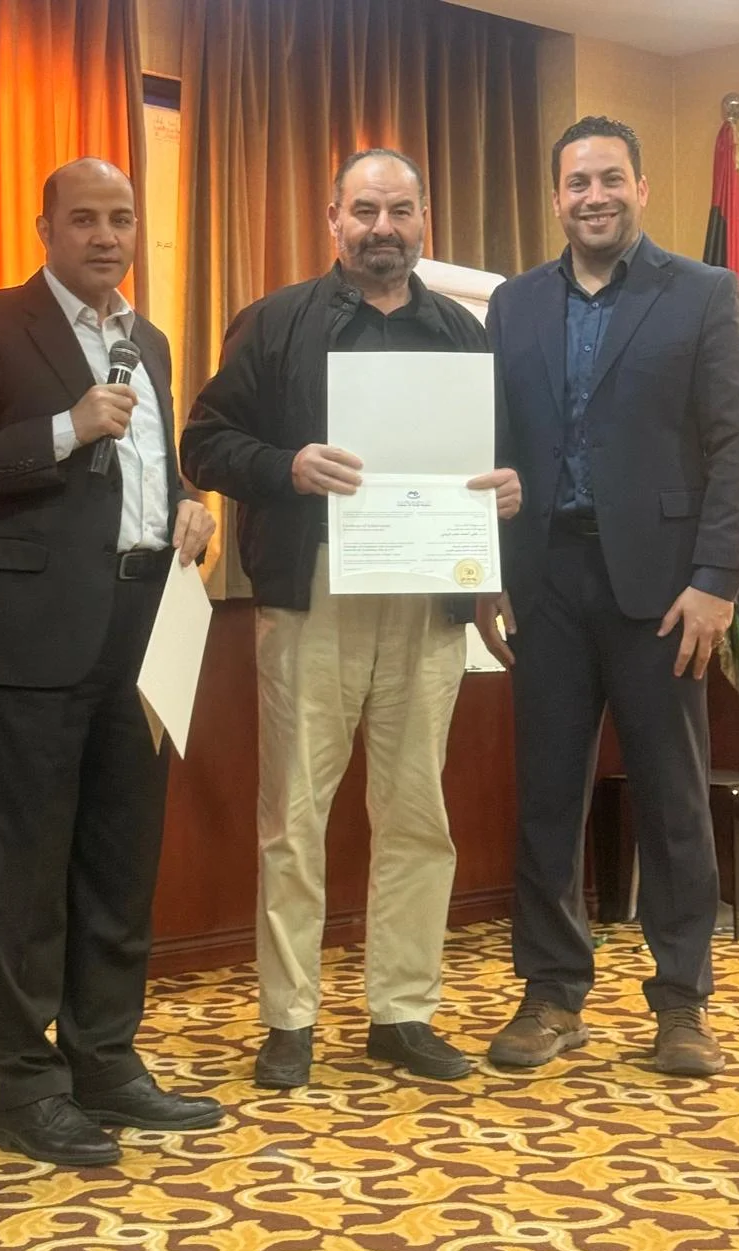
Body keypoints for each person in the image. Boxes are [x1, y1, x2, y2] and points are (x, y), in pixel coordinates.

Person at [180, 148, 521, 1089]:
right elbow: (203, 442)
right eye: (364, 210)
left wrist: (505, 492)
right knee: (293, 814)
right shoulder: (276, 322)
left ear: (423, 220)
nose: (382, 227)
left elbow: (498, 457)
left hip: (427, 593)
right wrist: (285, 466)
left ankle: (402, 1012)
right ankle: (288, 1019)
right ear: (332, 219)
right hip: (315, 589)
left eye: (399, 210)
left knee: (417, 814)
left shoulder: (462, 334)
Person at [0, 158, 223, 1165]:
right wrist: (64, 427)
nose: (105, 236)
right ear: (44, 227)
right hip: (32, 631)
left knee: (121, 860)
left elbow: (145, 470)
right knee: (26, 870)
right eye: (83, 218)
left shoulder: (149, 340)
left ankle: (105, 1061)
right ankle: (25, 1085)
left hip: (142, 623)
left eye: (120, 218)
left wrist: (188, 506)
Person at [478, 117, 739, 1076]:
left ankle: (681, 1004)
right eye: (577, 182)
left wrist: (716, 580)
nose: (593, 196)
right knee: (545, 798)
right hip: (544, 582)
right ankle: (551, 995)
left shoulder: (702, 292)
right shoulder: (514, 304)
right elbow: (491, 444)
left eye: (610, 178)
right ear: (556, 197)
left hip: (664, 590)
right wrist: (483, 570)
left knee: (672, 800)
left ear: (640, 188)